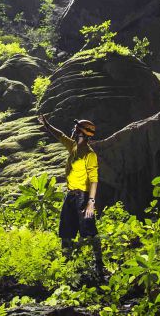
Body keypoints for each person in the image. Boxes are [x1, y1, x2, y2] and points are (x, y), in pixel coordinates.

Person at [37, 114, 104, 277]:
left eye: (77, 128)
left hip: (84, 196)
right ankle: (67, 267)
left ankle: (99, 264)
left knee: (89, 230)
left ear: (83, 133)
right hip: (71, 195)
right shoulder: (73, 146)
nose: (73, 130)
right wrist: (47, 125)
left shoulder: (89, 154)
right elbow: (60, 135)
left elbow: (94, 180)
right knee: (65, 230)